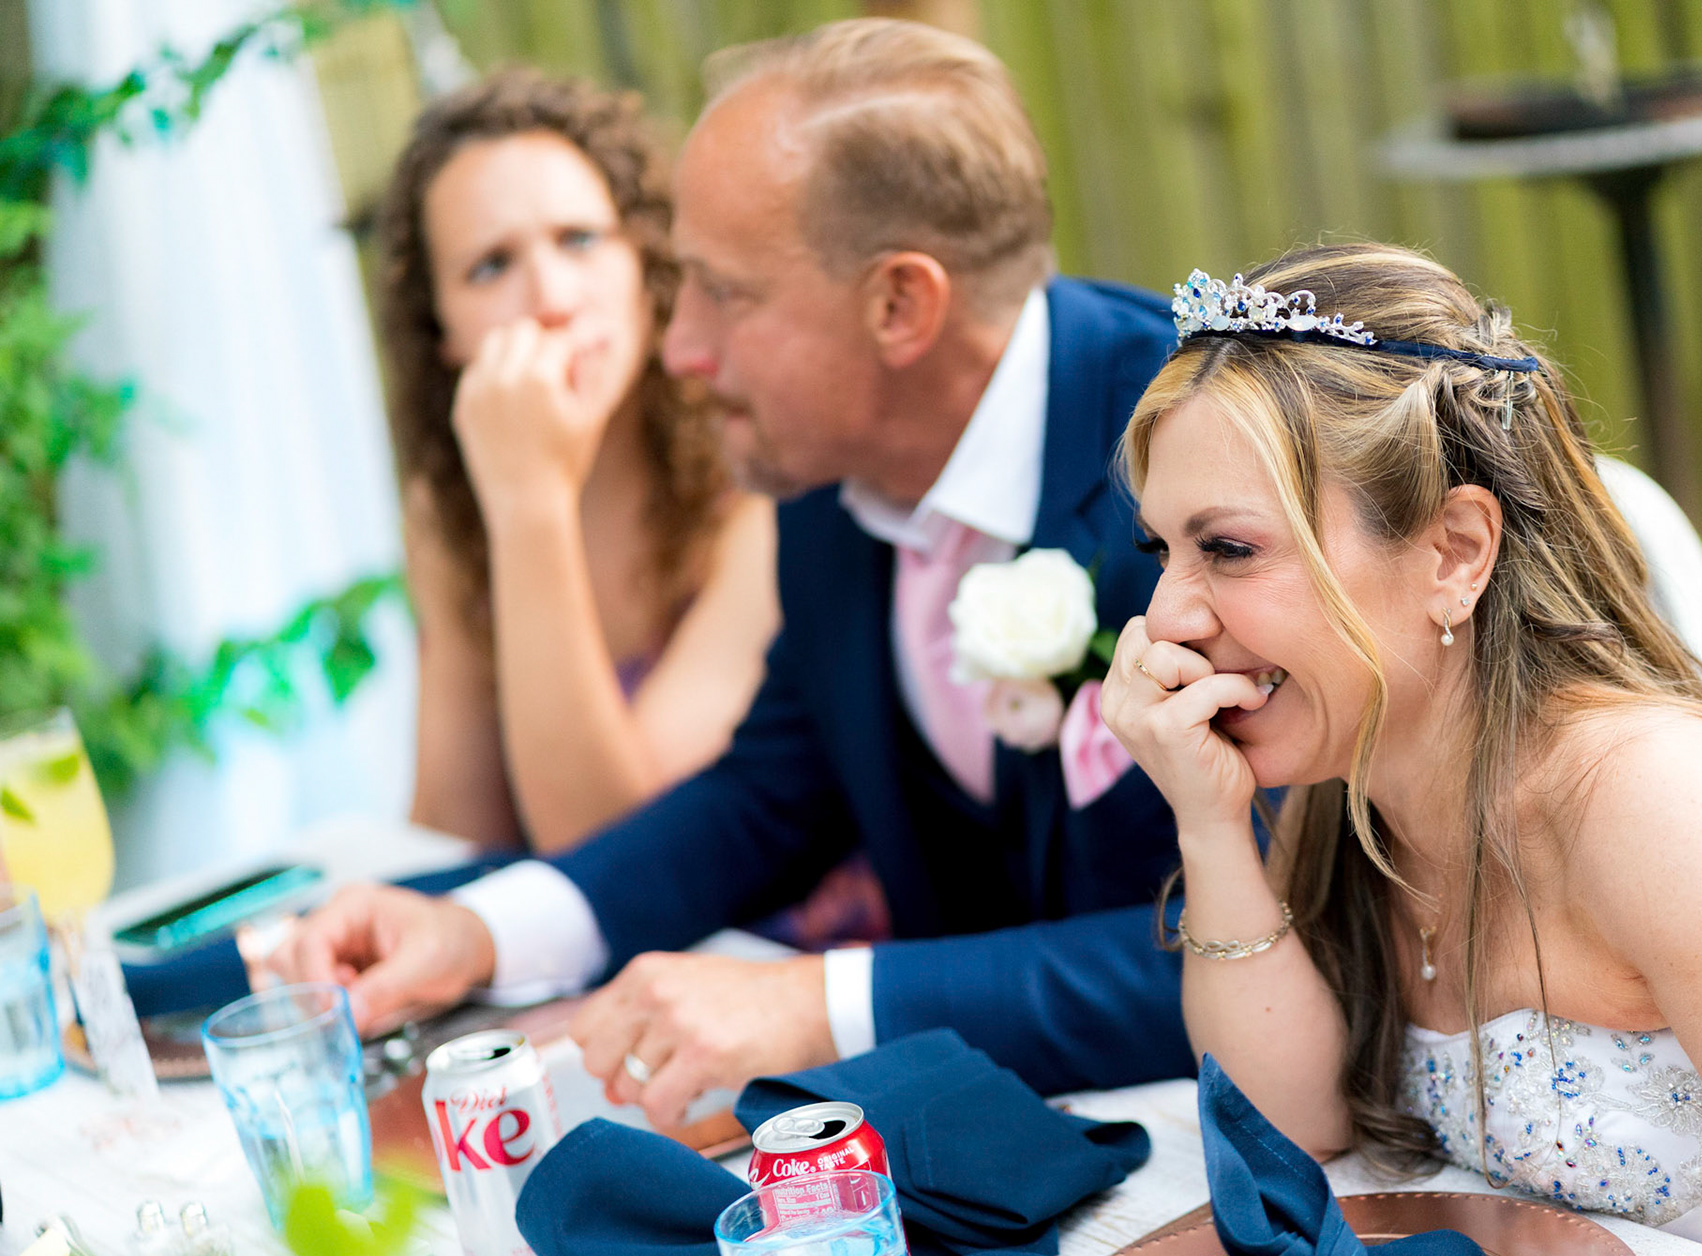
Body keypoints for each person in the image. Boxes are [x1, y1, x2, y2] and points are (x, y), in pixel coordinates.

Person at [273, 20, 1195, 1123]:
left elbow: (1284, 953)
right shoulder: (822, 483)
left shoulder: (1199, 475)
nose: (678, 348)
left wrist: (816, 1002)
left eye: (724, 293)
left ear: (900, 304)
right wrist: (478, 931)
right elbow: (764, 799)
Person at [1102, 242, 1702, 1256]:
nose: (1167, 613)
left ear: (1454, 552)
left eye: (1229, 549)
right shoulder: (1358, 787)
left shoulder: (1646, 790)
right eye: (1160, 552)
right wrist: (1209, 824)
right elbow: (1292, 1127)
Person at [376, 68, 780, 853]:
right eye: (491, 266)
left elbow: (616, 848)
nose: (553, 296)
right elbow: (458, 834)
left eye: (581, 240)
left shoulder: (756, 476)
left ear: (645, 266)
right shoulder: (449, 507)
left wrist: (531, 500)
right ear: (444, 334)